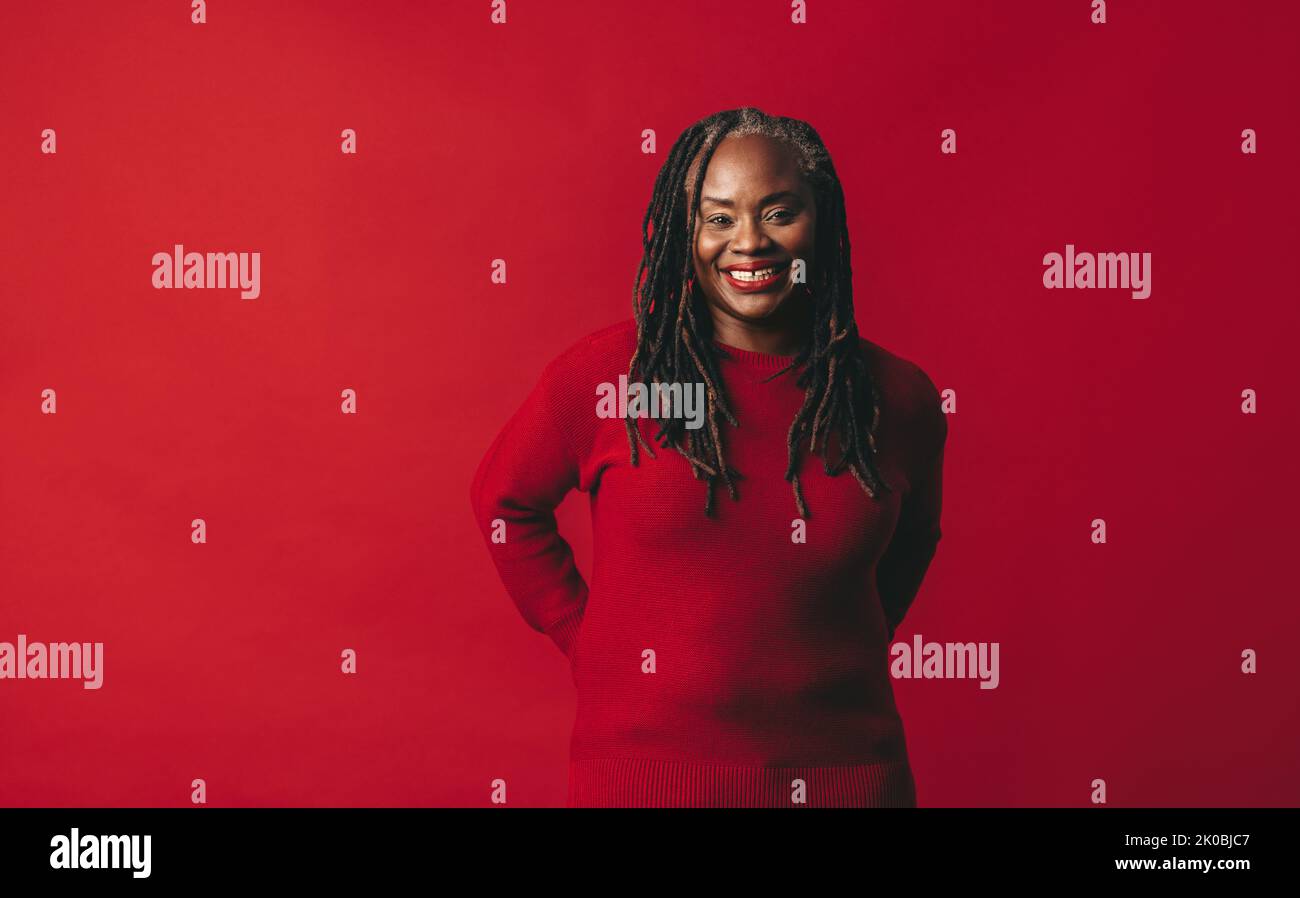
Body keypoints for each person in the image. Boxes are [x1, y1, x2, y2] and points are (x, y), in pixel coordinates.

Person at [470, 107, 948, 807]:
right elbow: (502, 502)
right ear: (682, 231)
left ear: (824, 221)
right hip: (644, 780)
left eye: (779, 213)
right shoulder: (610, 376)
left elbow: (915, 540)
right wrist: (587, 638)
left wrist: (836, 643)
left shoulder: (894, 398)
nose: (749, 243)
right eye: (717, 218)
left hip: (847, 778)